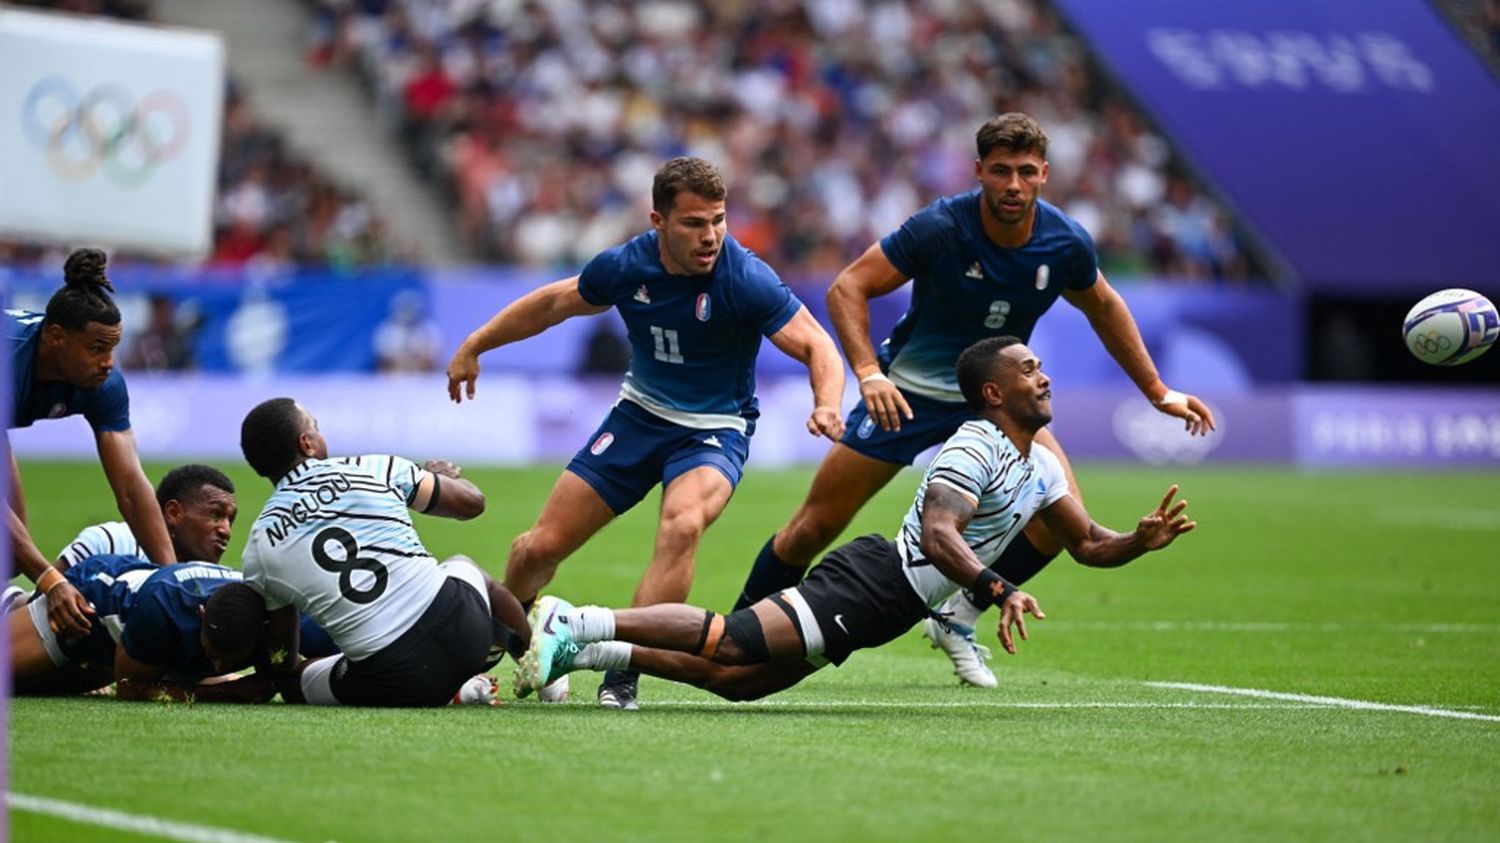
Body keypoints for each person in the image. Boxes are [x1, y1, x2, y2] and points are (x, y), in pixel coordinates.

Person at [729, 113, 1216, 688]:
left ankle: (959, 615)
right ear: (979, 171)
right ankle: (734, 635)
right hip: (906, 396)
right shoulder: (940, 226)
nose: (1014, 185)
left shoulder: (1063, 242)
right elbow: (847, 287)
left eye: (1027, 172)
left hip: (993, 404)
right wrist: (868, 374)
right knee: (814, 526)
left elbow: (1105, 307)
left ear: (1045, 176)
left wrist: (1158, 392)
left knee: (1061, 517)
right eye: (1002, 171)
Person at [516, 337, 1196, 701]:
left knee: (737, 683)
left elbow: (1087, 544)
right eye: (1028, 370)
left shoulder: (1044, 466)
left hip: (892, 605)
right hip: (873, 580)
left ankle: (588, 649)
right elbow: (938, 535)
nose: (1043, 378)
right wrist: (1000, 588)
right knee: (730, 640)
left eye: (1042, 368)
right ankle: (573, 621)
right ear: (994, 393)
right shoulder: (974, 444)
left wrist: (1139, 540)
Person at [445, 156, 845, 710]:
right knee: (539, 547)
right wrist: (475, 345)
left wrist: (827, 402)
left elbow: (817, 344)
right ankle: (501, 649)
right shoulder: (627, 266)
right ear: (658, 221)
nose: (711, 236)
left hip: (713, 430)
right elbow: (554, 303)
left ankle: (622, 672)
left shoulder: (744, 277)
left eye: (719, 220)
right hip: (637, 418)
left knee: (683, 526)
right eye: (694, 224)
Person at [238, 397, 530, 707]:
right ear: (307, 443)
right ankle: (533, 659)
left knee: (295, 682)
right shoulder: (371, 467)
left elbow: (281, 657)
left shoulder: (260, 545)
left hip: (394, 683)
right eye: (316, 428)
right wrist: (445, 477)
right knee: (461, 564)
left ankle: (459, 690)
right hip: (466, 632)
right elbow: (472, 504)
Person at [7, 464, 338, 700]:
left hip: (139, 641)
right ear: (201, 613)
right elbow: (130, 687)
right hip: (91, 604)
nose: (225, 529)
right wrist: (222, 689)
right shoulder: (119, 546)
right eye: (214, 515)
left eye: (230, 520)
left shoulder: (269, 608)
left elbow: (341, 641)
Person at [7, 247, 176, 640]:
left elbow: (132, 488)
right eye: (97, 349)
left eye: (113, 349)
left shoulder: (105, 384)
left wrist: (173, 577)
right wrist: (51, 580)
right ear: (55, 338)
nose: (109, 363)